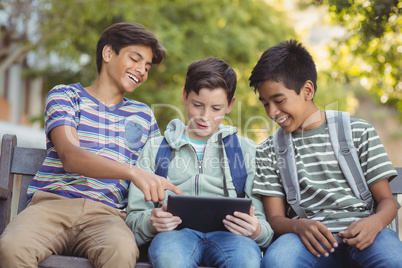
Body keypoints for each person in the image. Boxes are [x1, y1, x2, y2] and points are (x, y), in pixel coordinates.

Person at [0, 22, 183, 268]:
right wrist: (131, 171)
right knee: (12, 249)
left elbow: (156, 170)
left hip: (107, 215)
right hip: (52, 205)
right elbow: (70, 156)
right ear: (108, 54)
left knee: (122, 252)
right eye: (135, 59)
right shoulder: (65, 96)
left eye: (147, 67)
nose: (141, 71)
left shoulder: (143, 115)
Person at [249, 39, 402, 268]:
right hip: (305, 241)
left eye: (279, 100)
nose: (272, 112)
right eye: (265, 104)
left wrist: (374, 224)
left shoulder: (358, 132)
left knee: (393, 260)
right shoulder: (269, 150)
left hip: (367, 235)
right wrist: (297, 226)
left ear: (307, 90)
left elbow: (387, 201)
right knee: (278, 261)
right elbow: (276, 219)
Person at [125, 57, 274, 268]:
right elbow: (133, 219)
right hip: (174, 237)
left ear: (230, 105)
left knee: (247, 262)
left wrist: (256, 230)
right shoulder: (156, 148)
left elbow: (264, 227)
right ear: (185, 96)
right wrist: (151, 222)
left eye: (216, 109)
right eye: (198, 105)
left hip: (234, 239)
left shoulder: (245, 150)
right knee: (170, 260)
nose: (205, 117)